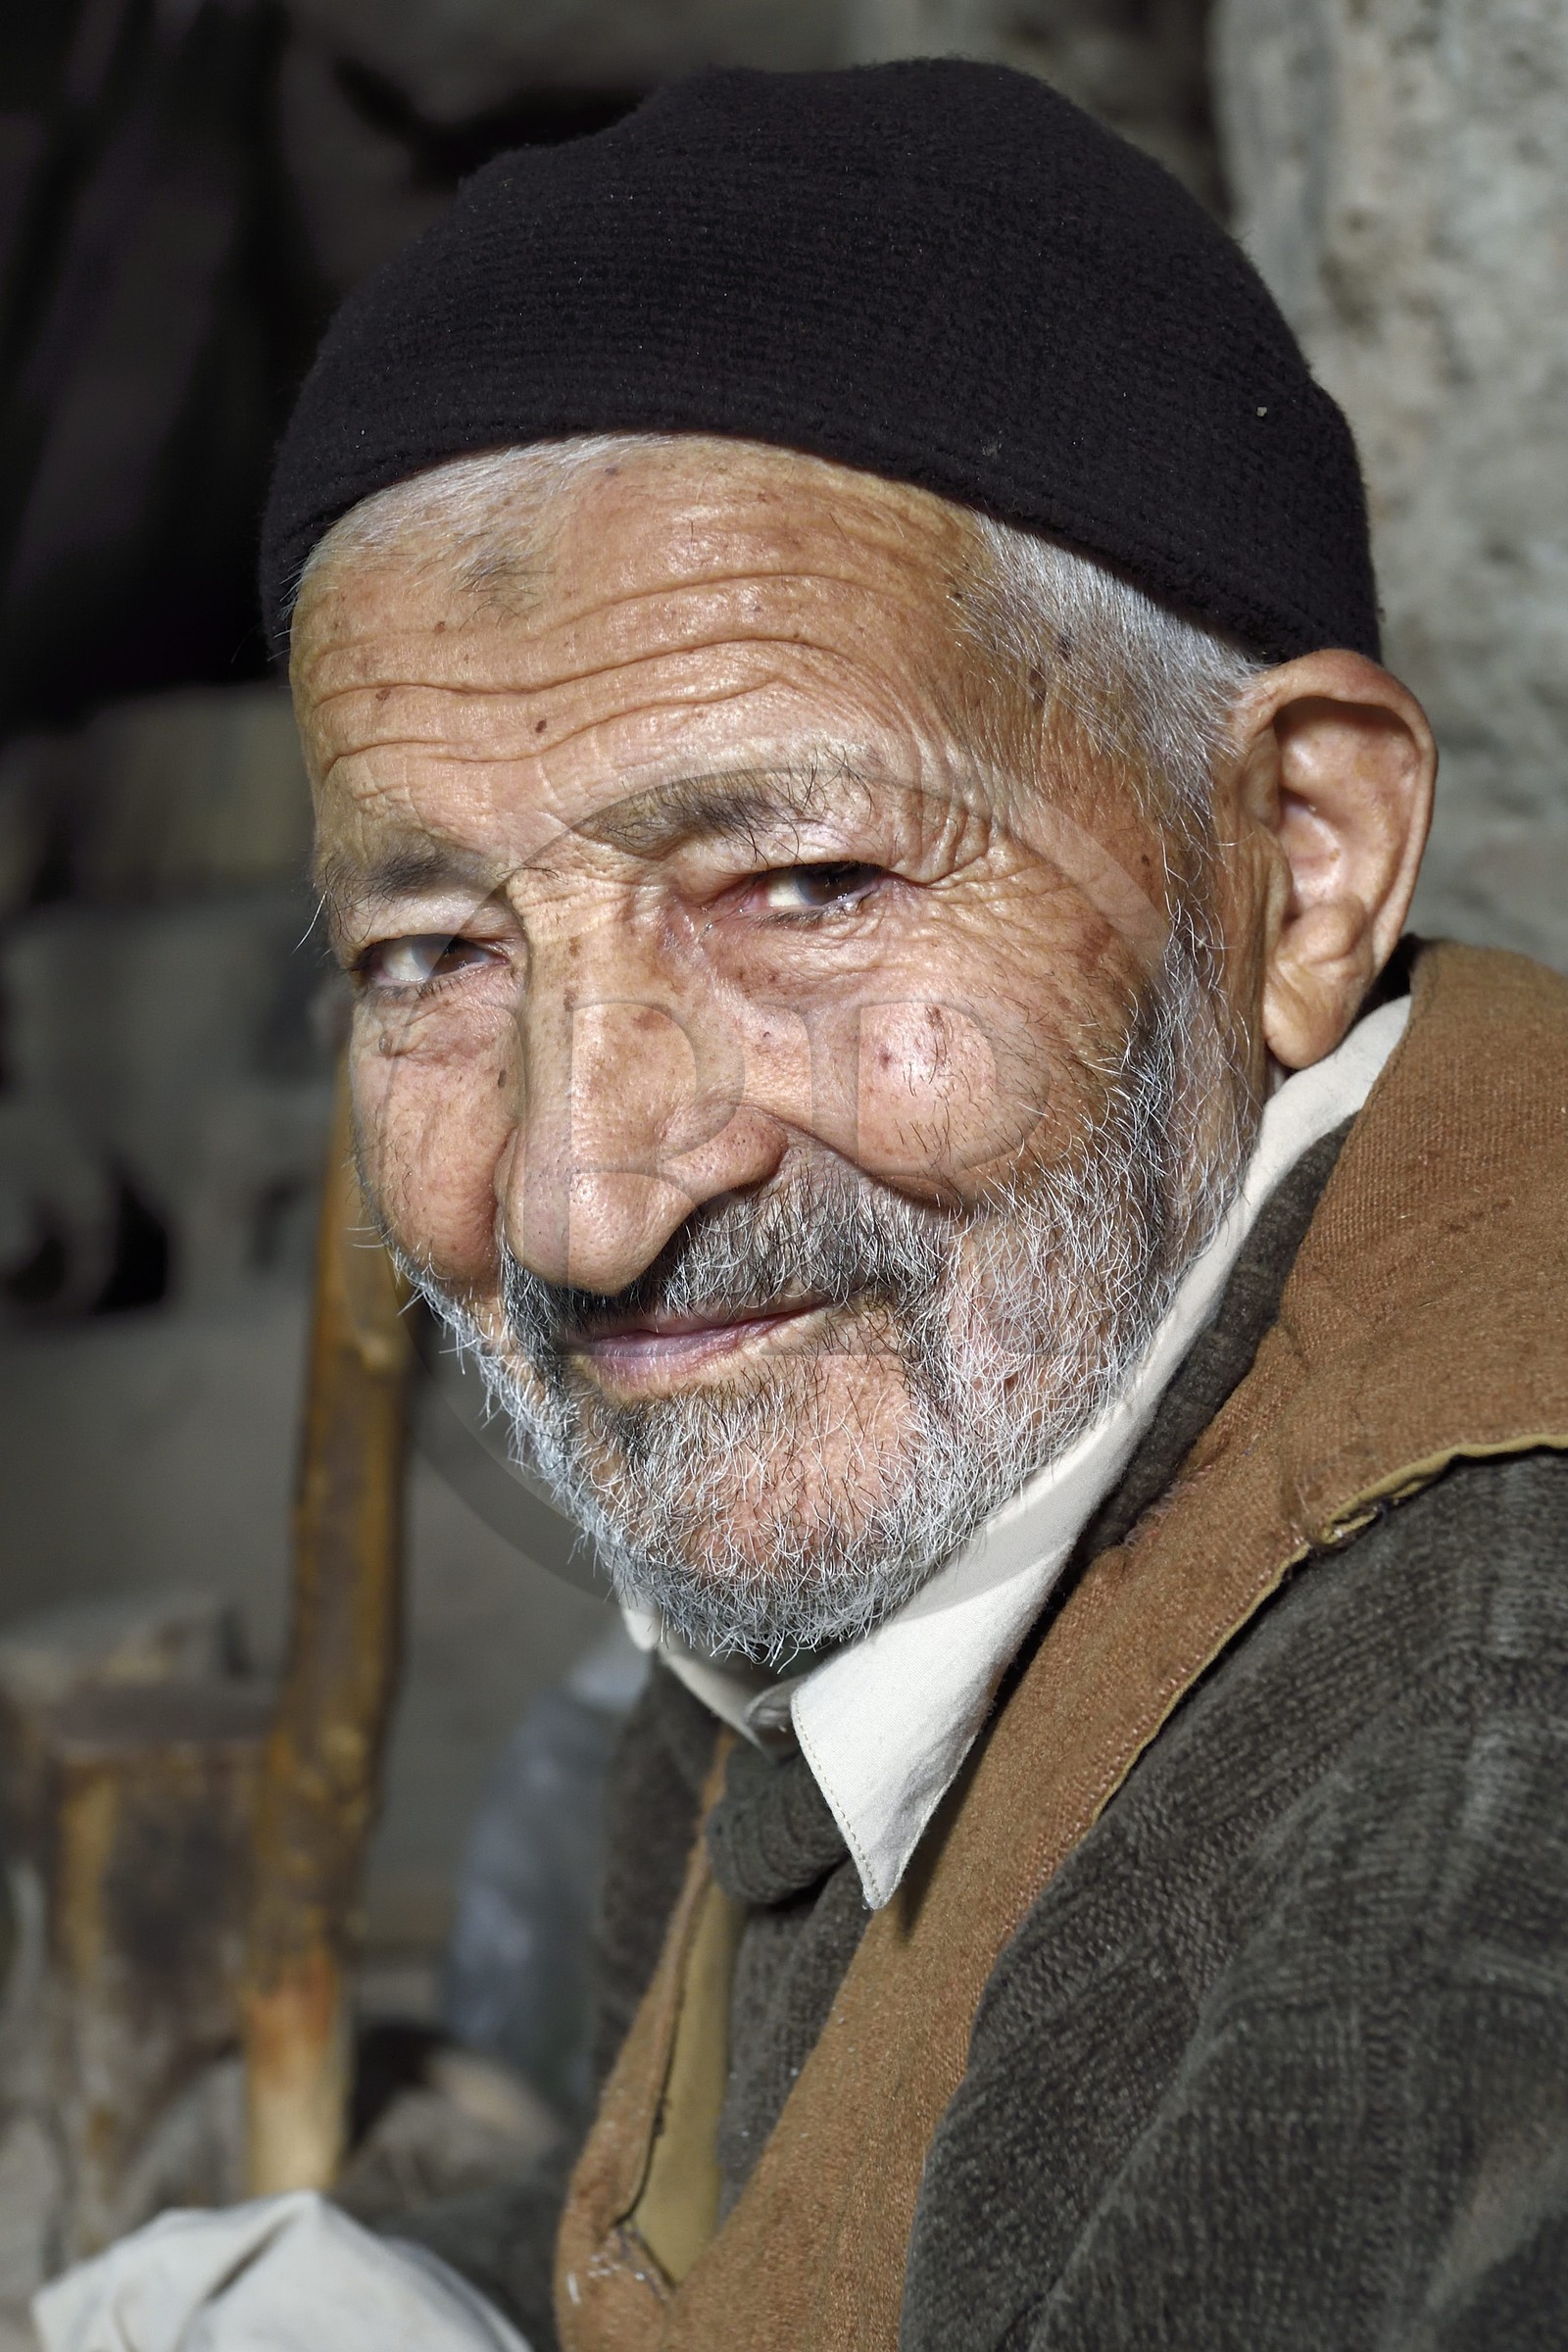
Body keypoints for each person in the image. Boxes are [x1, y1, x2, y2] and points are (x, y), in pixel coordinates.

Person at [37, 59, 1568, 2352]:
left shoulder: (1471, 1820)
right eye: (431, 954)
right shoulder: (948, 1433)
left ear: (1301, 859)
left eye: (802, 882)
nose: (574, 1197)